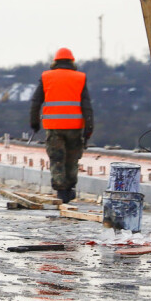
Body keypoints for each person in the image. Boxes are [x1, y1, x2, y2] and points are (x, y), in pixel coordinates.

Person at [29, 47, 93, 203]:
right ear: (72, 61)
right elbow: (86, 106)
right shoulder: (80, 78)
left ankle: (61, 191)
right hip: (75, 127)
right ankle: (69, 189)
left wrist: (34, 122)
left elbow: (36, 102)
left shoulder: (46, 77)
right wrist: (89, 129)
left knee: (57, 158)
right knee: (72, 159)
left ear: (55, 61)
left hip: (54, 127)